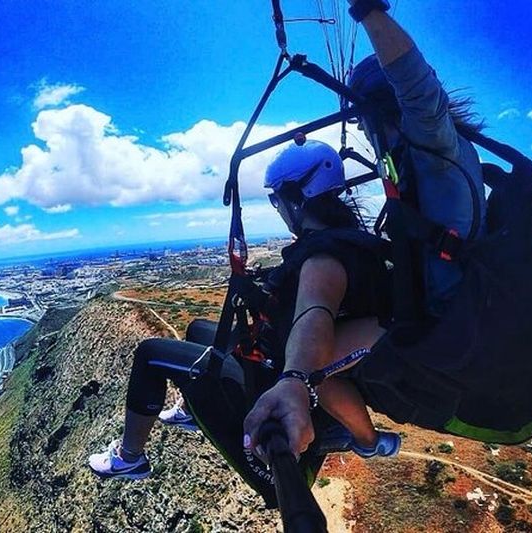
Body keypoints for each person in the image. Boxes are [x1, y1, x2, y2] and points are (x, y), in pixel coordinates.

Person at [243, 0, 486, 459]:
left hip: (442, 323)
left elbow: (417, 87)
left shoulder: (435, 145)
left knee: (301, 364)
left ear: (380, 108)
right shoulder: (416, 161)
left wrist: (368, 10)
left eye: (360, 117)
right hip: (428, 305)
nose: (360, 128)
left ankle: (369, 442)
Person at [87, 139, 405, 479]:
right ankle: (192, 410)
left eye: (276, 200)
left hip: (274, 369)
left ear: (297, 199)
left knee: (150, 354)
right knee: (197, 328)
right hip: (272, 351)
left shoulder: (323, 258)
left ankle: (129, 456)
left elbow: (317, 311)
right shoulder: (343, 241)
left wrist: (295, 376)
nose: (277, 208)